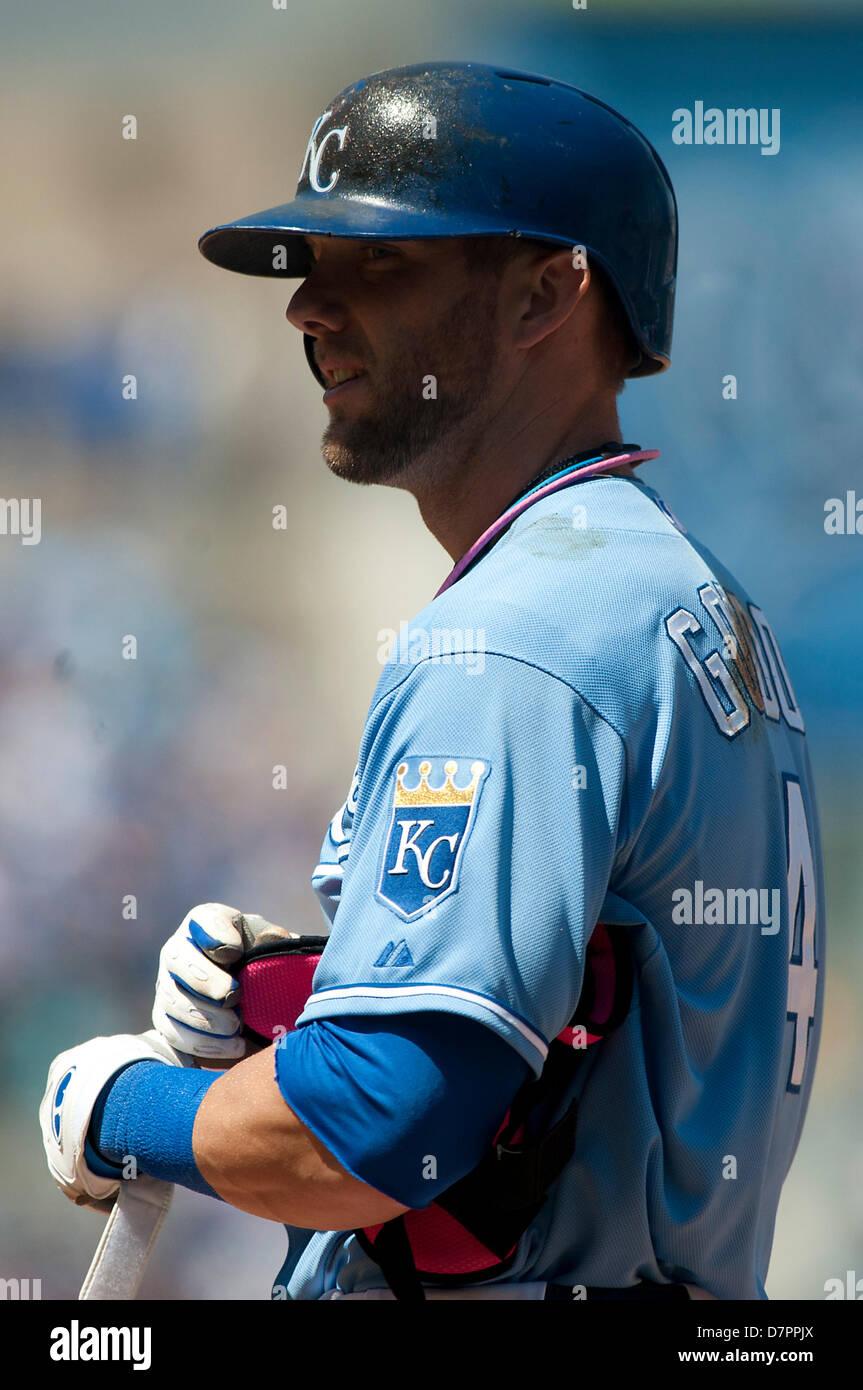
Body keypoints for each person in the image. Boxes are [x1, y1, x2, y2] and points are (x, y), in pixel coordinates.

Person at [40, 61, 824, 1301]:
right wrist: (295, 1000)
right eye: (309, 266)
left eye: (382, 263)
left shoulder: (516, 638)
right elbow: (580, 1038)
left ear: (544, 295)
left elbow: (375, 1129)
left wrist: (126, 1105)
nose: (308, 309)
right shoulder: (678, 595)